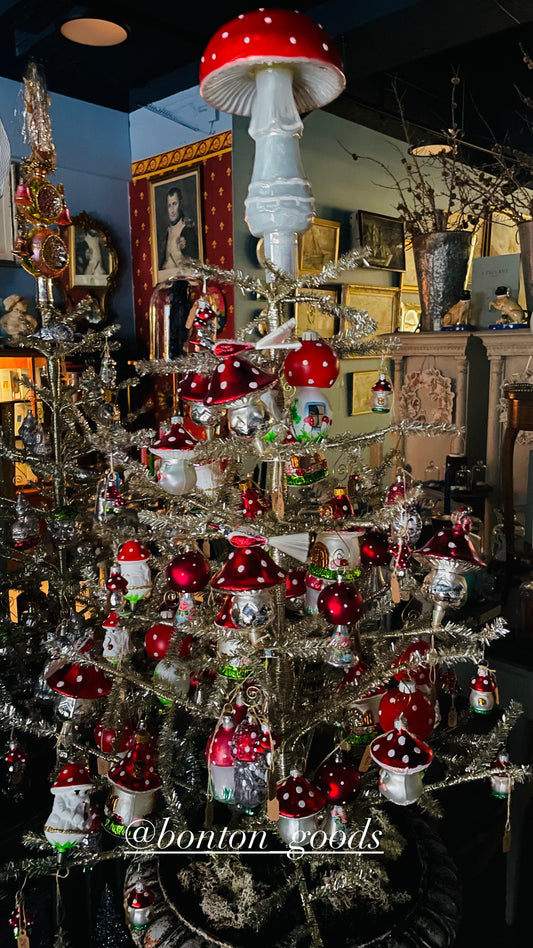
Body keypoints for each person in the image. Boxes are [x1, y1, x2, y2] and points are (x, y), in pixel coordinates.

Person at [158, 187, 197, 271]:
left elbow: (194, 262)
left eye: (174, 204)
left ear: (180, 204)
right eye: (169, 205)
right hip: (164, 276)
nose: (171, 210)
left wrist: (186, 248)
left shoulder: (187, 230)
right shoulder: (166, 233)